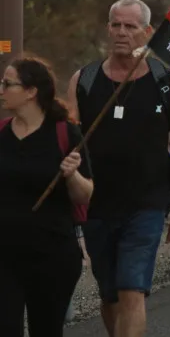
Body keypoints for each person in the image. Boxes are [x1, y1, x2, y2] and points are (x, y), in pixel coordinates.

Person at [68, 0, 170, 337]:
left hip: (147, 204)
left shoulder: (167, 82)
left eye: (130, 26)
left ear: (147, 32)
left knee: (131, 289)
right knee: (109, 296)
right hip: (96, 205)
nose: (121, 32)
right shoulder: (85, 80)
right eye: (116, 25)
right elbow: (68, 143)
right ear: (108, 28)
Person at [0, 56, 93, 337]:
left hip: (52, 255)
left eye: (7, 83)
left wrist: (71, 175)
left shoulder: (65, 132)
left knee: (46, 330)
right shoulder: (1, 132)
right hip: (5, 254)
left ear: (31, 91)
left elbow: (85, 195)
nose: (1, 89)